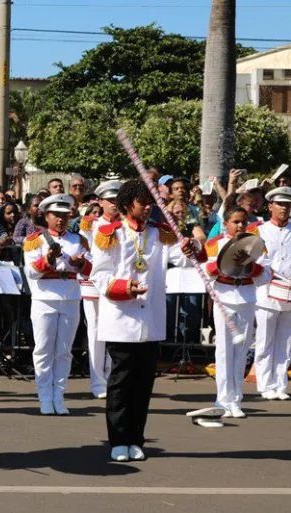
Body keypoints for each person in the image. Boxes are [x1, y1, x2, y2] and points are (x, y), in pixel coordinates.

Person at [90, 179, 200, 462]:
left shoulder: (160, 234)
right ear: (129, 204)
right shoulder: (109, 233)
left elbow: (187, 258)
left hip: (150, 320)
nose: (149, 207)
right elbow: (99, 275)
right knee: (121, 383)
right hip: (121, 319)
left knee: (143, 384)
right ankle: (118, 440)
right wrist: (125, 288)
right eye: (144, 203)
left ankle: (136, 439)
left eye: (152, 202)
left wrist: (192, 245)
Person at [24, 194, 92, 415]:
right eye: (56, 215)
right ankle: (45, 397)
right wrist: (49, 260)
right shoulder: (35, 239)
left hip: (71, 296)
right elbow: (31, 272)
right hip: (45, 298)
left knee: (64, 351)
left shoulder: (77, 239)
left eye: (64, 215)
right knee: (43, 350)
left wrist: (79, 263)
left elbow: (92, 268)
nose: (61, 219)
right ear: (46, 216)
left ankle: (59, 396)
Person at [204, 206, 267, 417]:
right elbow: (207, 270)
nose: (240, 225)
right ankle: (222, 399)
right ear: (226, 223)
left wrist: (249, 265)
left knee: (241, 351)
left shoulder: (256, 243)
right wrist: (227, 262)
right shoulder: (215, 244)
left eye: (243, 221)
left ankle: (236, 399)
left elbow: (265, 273)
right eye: (236, 222)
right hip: (224, 297)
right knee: (223, 350)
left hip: (247, 296)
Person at [79, 179, 122, 399]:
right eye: (110, 200)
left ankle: (111, 376)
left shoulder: (126, 225)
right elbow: (87, 252)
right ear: (101, 202)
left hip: (119, 284)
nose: (115, 204)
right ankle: (97, 381)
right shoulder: (91, 225)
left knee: (116, 331)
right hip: (96, 284)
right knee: (96, 333)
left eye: (117, 199)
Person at [254, 187, 291, 400]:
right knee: (265, 341)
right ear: (270, 207)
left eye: (288, 204)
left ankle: (280, 385)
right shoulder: (260, 230)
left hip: (289, 294)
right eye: (281, 204)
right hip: (267, 292)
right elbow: (258, 261)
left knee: (286, 342)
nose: (285, 208)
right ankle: (265, 384)